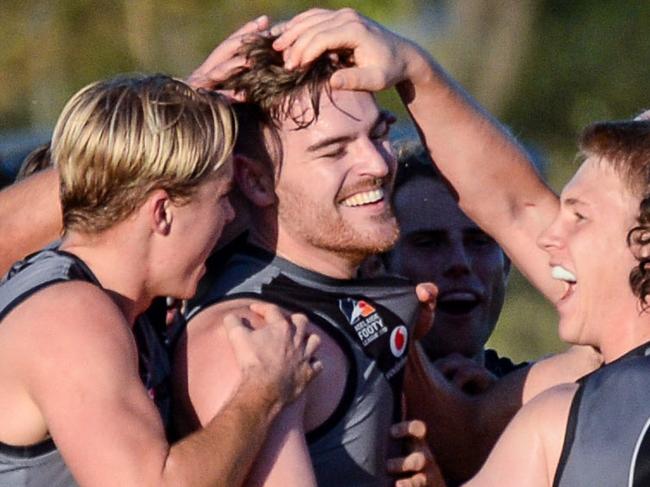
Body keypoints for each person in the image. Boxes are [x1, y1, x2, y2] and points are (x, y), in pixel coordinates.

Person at [263, 8, 650, 486]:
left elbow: (520, 210)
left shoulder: (571, 406)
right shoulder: (562, 405)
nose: (550, 235)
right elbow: (517, 208)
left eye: (580, 217)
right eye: (427, 241)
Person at [0, 73, 321, 487]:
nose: (228, 218)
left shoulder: (125, 306)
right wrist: (264, 388)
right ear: (162, 212)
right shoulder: (68, 317)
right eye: (222, 197)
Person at [172, 29, 438, 487]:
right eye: (334, 150)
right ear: (254, 182)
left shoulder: (357, 284)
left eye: (378, 134)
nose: (376, 165)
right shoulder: (248, 339)